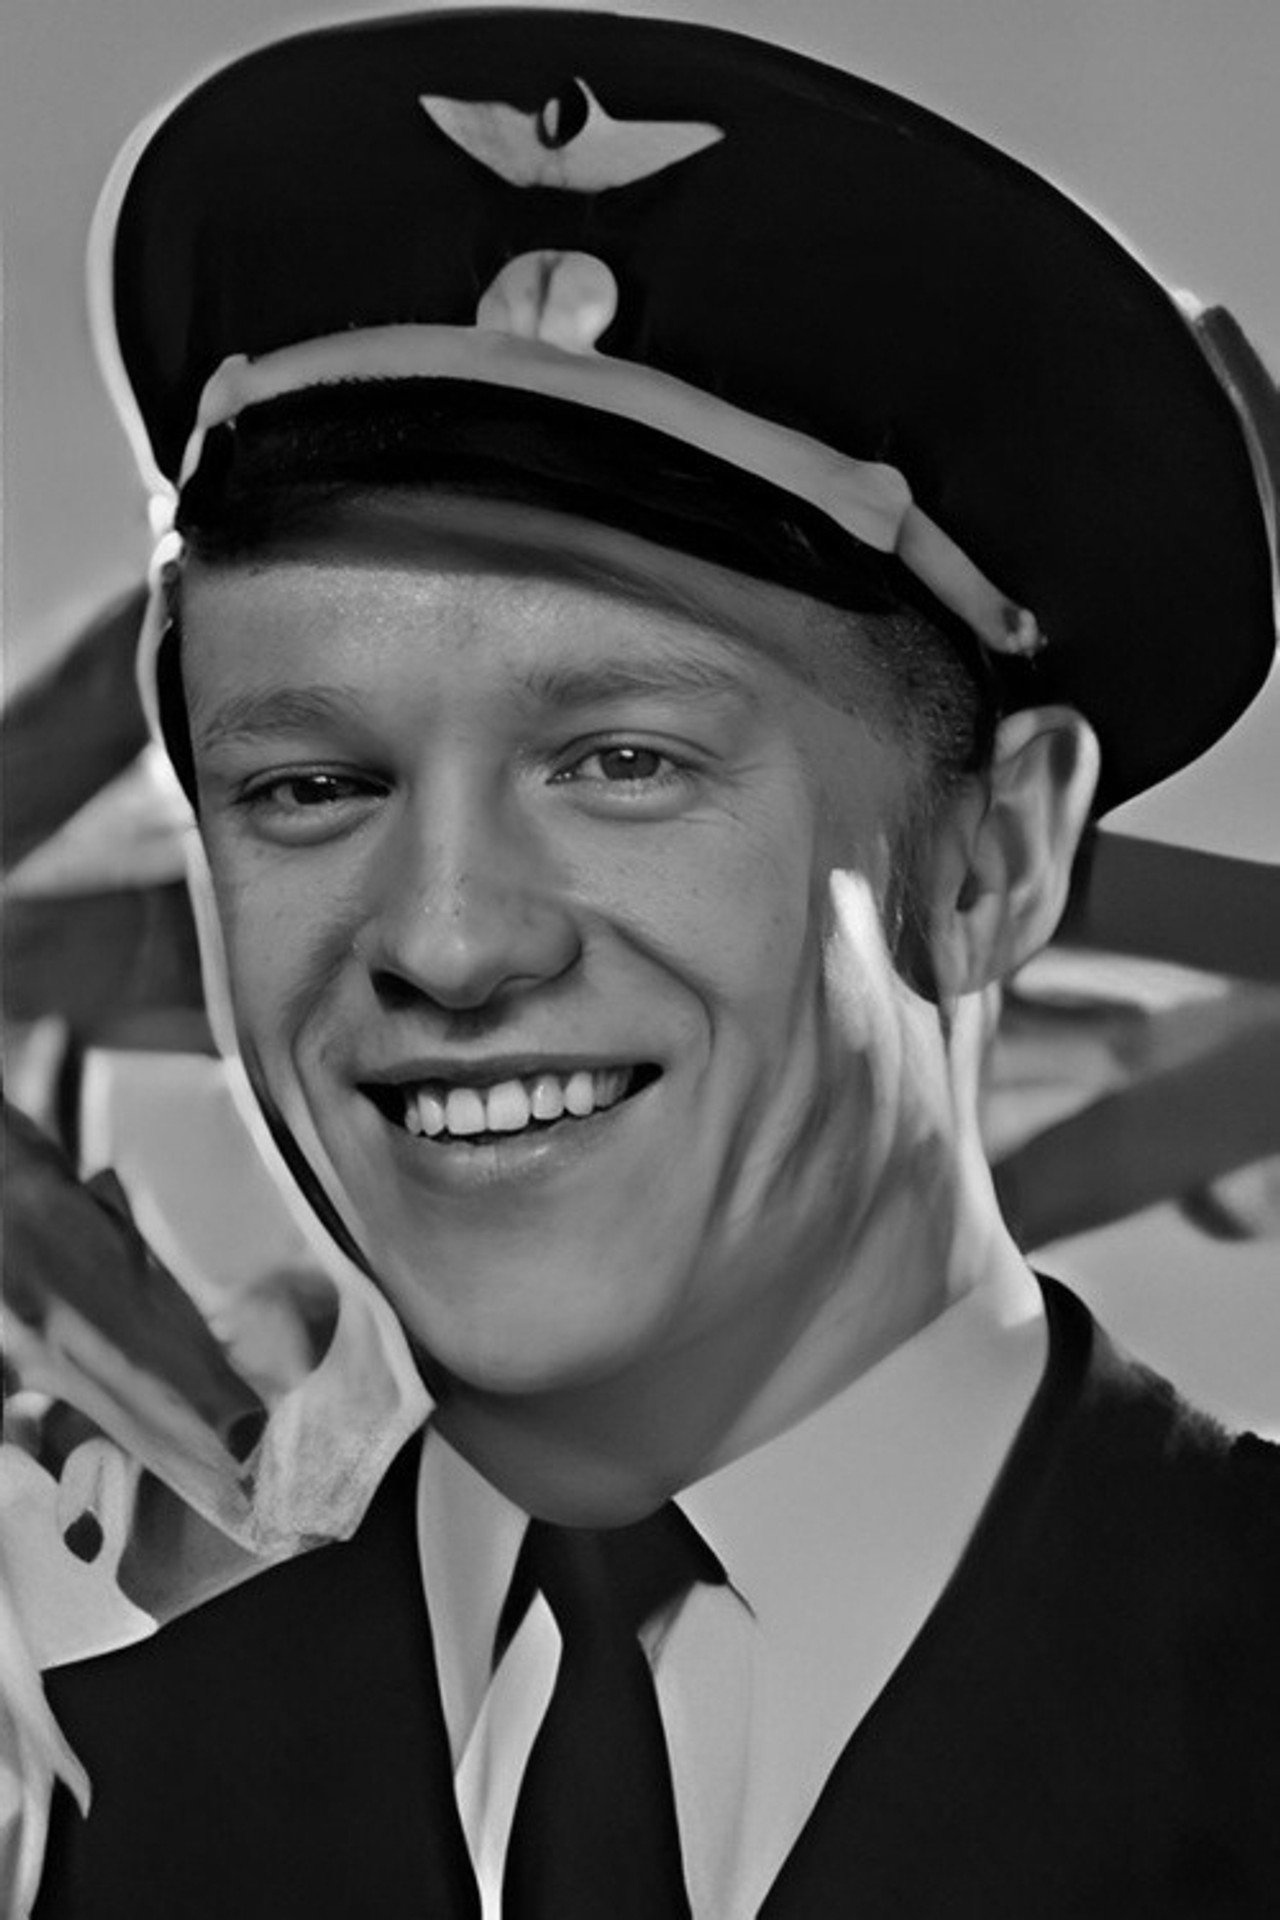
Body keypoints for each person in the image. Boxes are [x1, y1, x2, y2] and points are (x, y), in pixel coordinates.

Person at [8, 10, 1279, 1916]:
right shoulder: (91, 1835)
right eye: (312, 785)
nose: (445, 939)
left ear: (995, 856)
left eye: (621, 762)